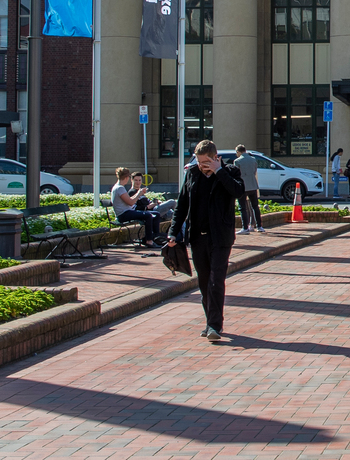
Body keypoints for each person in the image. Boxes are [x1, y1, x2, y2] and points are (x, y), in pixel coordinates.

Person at [167, 140, 247, 343]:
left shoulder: (229, 172)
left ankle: (214, 325)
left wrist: (220, 172)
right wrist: (173, 233)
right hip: (197, 237)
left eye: (205, 161)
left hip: (220, 237)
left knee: (215, 280)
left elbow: (238, 192)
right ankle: (210, 321)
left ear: (215, 157)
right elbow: (181, 206)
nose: (201, 165)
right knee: (203, 282)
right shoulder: (192, 174)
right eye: (198, 161)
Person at [109, 167, 162, 244]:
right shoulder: (119, 188)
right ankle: (149, 240)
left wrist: (139, 193)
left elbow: (129, 199)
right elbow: (131, 202)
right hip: (123, 214)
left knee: (156, 214)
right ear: (127, 177)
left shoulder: (118, 187)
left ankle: (156, 237)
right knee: (148, 216)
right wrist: (139, 194)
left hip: (127, 212)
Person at [232, 145, 263, 234]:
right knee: (255, 206)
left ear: (238, 152)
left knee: (242, 207)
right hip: (253, 185)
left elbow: (237, 174)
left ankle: (245, 228)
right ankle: (259, 226)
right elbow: (254, 171)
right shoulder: (253, 160)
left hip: (243, 186)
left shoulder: (237, 161)